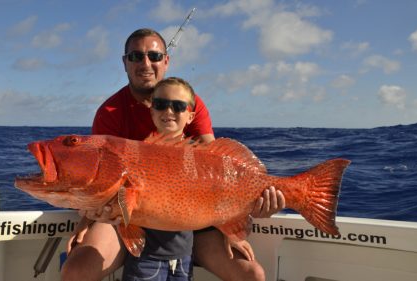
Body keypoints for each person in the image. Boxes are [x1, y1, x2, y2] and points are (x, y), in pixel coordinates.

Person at [61, 28, 285, 281]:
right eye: (136, 56)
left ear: (166, 61)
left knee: (252, 274)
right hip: (126, 214)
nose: (146, 63)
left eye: (154, 56)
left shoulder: (189, 102)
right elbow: (102, 178)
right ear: (125, 62)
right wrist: (85, 223)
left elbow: (217, 167)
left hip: (190, 216)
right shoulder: (110, 112)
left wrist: (230, 229)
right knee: (75, 271)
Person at [122, 77, 205, 281]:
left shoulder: (199, 159)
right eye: (160, 105)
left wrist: (231, 233)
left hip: (184, 258)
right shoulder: (137, 155)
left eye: (178, 106)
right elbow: (123, 202)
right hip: (145, 259)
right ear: (151, 111)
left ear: (191, 116)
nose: (168, 111)